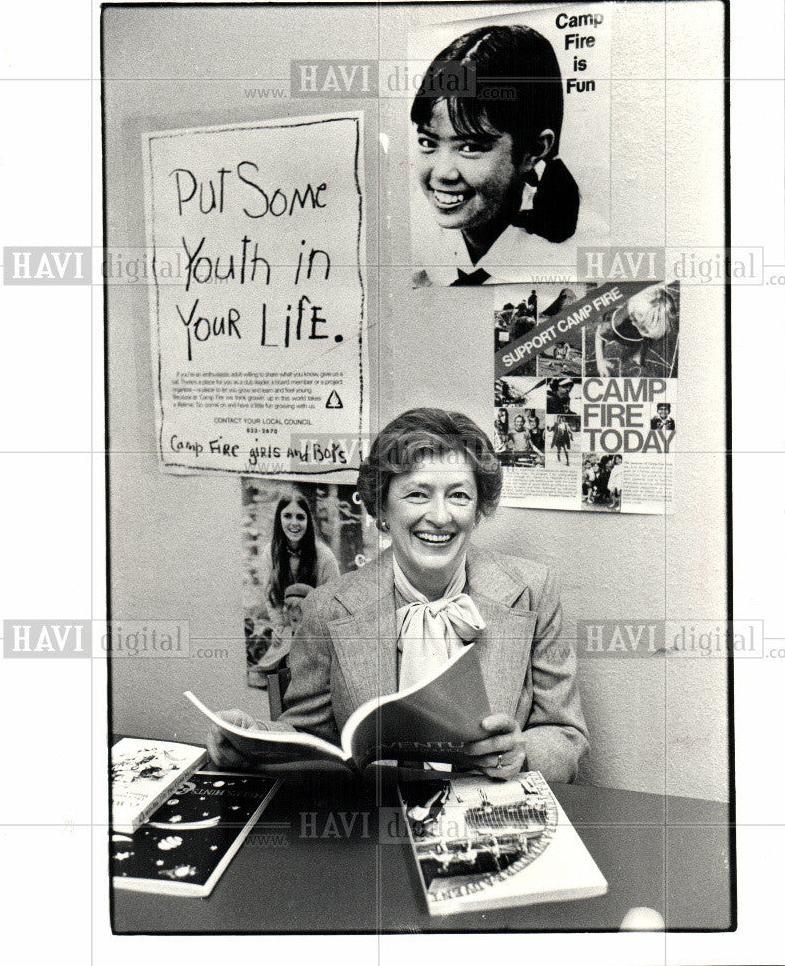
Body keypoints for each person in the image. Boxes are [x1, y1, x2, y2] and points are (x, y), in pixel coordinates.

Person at [209, 408, 589, 783]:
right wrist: (251, 740)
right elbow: (309, 739)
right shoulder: (326, 609)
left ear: (477, 510)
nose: (440, 517)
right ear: (383, 509)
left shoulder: (533, 591)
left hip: (491, 822)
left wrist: (522, 754)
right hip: (374, 825)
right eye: (418, 494)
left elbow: (566, 736)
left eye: (458, 495)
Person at [410, 25, 582, 286]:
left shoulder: (567, 269)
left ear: (534, 150)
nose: (442, 172)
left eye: (470, 147)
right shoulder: (418, 258)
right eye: (428, 142)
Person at [266, 494, 340, 610]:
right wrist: (282, 627)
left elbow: (333, 605)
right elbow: (270, 602)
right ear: (279, 519)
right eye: (287, 516)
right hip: (283, 625)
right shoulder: (270, 553)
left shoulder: (325, 557)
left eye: (300, 517)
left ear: (308, 521)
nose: (294, 523)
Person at [594, 284, 679, 378]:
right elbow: (599, 335)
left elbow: (656, 299)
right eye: (646, 331)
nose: (647, 336)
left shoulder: (645, 317)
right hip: (620, 324)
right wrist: (600, 361)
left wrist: (638, 355)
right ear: (634, 320)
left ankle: (638, 353)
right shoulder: (616, 323)